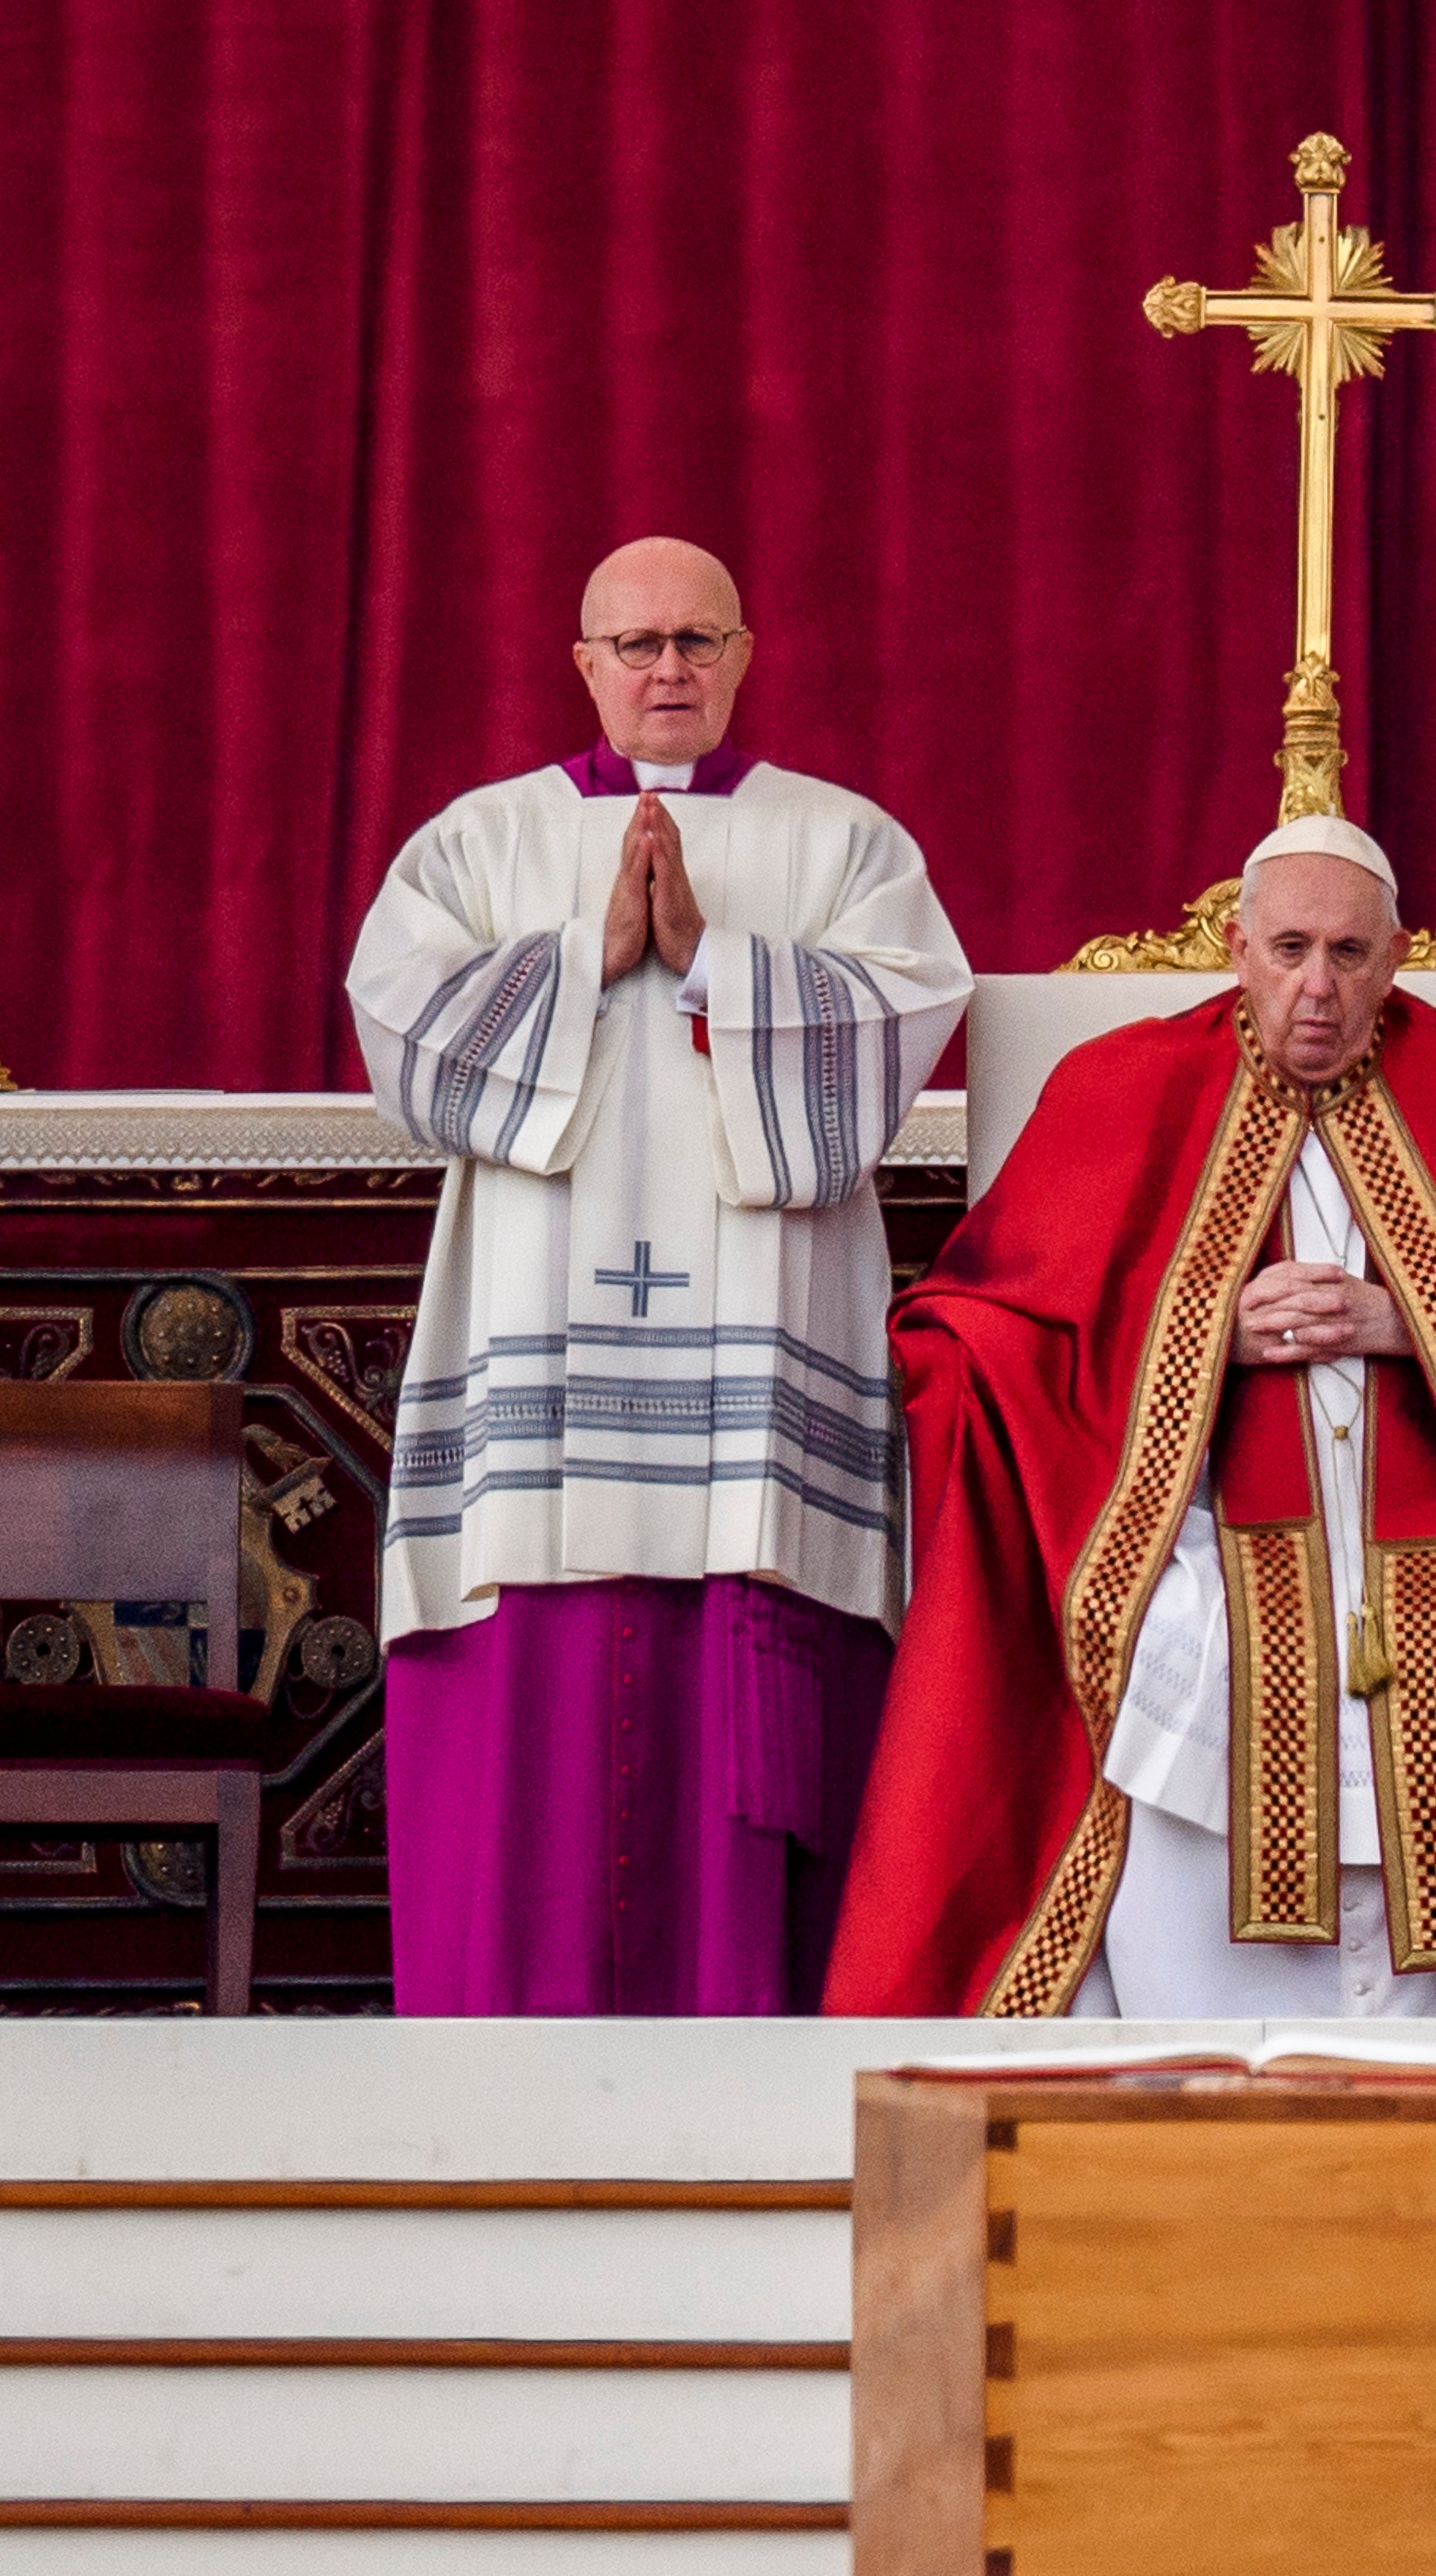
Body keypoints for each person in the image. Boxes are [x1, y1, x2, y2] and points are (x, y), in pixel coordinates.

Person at [829, 816, 1436, 2017]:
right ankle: (1198, 2059)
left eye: (1352, 955)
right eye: (1289, 949)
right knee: (1176, 1646)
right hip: (1198, 1536)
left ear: (1399, 955)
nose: (1318, 989)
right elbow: (971, 1339)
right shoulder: (1119, 1091)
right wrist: (1204, 1333)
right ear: (1235, 947)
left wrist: (1417, 1328)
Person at [349, 537, 972, 2013]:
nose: (669, 669)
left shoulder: (844, 844)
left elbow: (901, 1025)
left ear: (746, 655)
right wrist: (585, 953)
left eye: (698, 640)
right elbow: (399, 1034)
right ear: (584, 664)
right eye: (637, 645)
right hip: (541, 1368)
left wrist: (712, 961)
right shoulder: (478, 842)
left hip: (754, 1391)